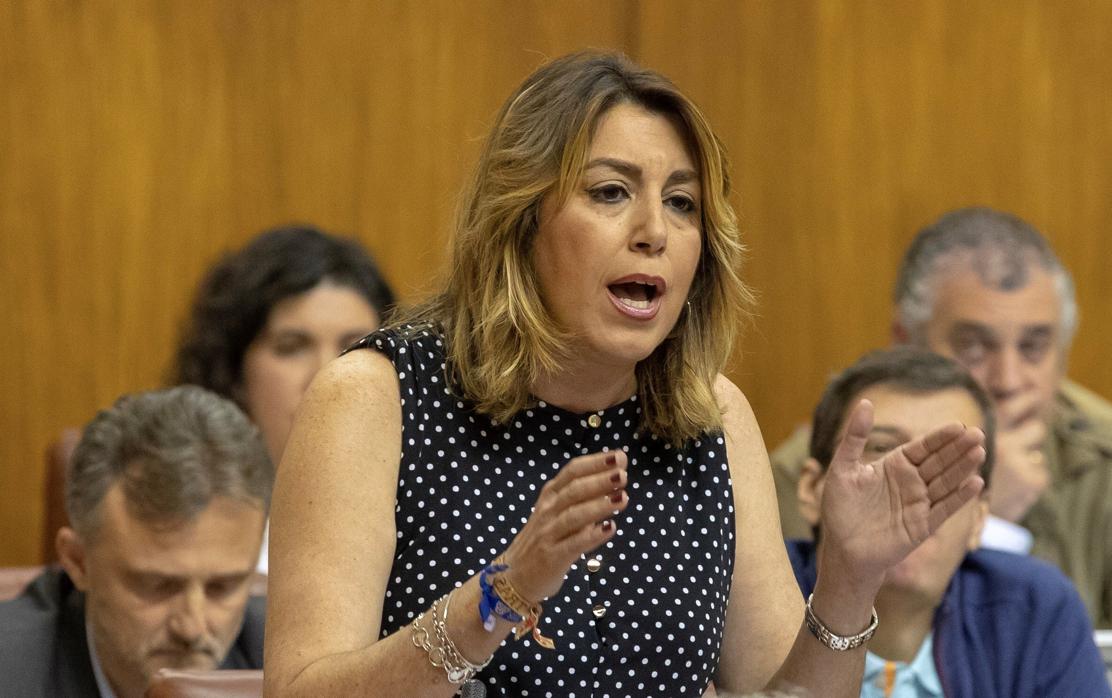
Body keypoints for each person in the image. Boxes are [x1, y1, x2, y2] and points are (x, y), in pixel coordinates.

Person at [263, 51, 987, 697]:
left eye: (682, 203)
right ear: (521, 221)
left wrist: (848, 581)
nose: (654, 231)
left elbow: (781, 694)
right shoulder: (376, 399)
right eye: (610, 192)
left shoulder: (712, 418)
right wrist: (501, 595)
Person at [773, 207, 1112, 629]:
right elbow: (806, 649)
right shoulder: (824, 470)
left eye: (1033, 347)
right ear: (906, 344)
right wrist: (980, 516)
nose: (1008, 380)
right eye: (974, 347)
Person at [788, 348, 1112, 696]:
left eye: (946, 463)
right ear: (812, 489)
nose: (913, 487)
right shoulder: (756, 596)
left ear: (980, 517)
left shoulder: (1033, 608)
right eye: (881, 448)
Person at [0, 386, 273, 698]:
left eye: (222, 587)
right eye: (157, 585)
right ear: (78, 560)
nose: (192, 628)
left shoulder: (289, 665)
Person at [172, 225, 395, 572]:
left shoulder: (432, 511)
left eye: (355, 347)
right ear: (233, 374)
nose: (328, 375)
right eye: (291, 348)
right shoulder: (175, 523)